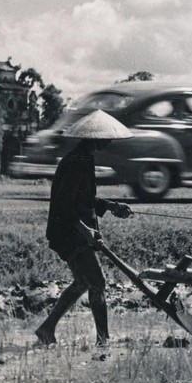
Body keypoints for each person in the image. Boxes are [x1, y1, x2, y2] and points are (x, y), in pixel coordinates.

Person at [36, 109, 134, 347]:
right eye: (106, 138)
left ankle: (47, 329)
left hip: (71, 230)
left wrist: (111, 206)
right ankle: (103, 340)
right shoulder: (76, 161)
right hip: (69, 232)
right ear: (95, 138)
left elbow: (84, 200)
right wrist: (84, 230)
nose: (110, 142)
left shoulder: (84, 158)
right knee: (97, 283)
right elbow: (64, 205)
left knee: (83, 282)